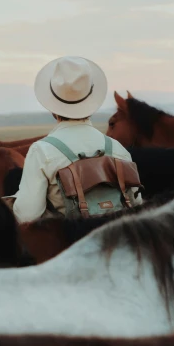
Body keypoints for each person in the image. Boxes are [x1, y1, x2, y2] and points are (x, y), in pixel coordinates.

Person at [12, 56, 142, 224]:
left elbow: (27, 216)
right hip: (116, 241)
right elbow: (136, 204)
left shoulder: (42, 151)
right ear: (91, 103)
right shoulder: (117, 149)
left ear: (53, 109)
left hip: (70, 245)